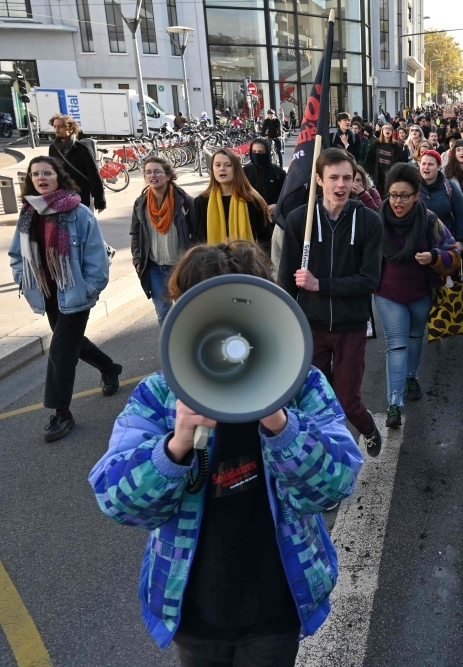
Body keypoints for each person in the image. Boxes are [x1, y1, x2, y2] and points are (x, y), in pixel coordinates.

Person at [89, 240, 364, 665]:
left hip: (275, 611)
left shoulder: (300, 385)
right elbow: (115, 498)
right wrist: (176, 446)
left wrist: (280, 421)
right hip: (197, 614)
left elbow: (336, 484)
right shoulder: (160, 395)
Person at [278, 148, 383, 456]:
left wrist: (320, 285)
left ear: (355, 181)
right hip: (312, 325)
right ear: (319, 180)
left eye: (347, 178)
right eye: (334, 177)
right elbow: (286, 279)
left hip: (351, 326)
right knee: (313, 398)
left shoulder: (368, 221)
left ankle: (366, 427)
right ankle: (322, 452)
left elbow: (370, 281)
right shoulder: (300, 220)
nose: (341, 185)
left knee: (348, 399)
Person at [9, 156, 121, 442]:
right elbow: (15, 255)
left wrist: (89, 289)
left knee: (60, 352)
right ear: (30, 180)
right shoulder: (28, 214)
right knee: (71, 343)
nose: (41, 178)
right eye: (36, 174)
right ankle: (109, 367)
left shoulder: (79, 212)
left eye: (47, 172)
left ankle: (62, 413)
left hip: (74, 292)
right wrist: (24, 277)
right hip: (47, 294)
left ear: (59, 176)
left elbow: (96, 258)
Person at [376, 164, 462, 428]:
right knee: (397, 345)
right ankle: (394, 403)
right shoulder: (376, 220)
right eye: (393, 195)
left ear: (416, 196)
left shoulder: (430, 220)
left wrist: (435, 257)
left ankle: (412, 376)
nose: (398, 201)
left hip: (421, 294)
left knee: (415, 339)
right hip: (388, 294)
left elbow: (455, 252)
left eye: (404, 195)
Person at [130, 156, 195, 326]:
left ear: (168, 176)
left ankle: (187, 348)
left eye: (157, 171)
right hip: (155, 268)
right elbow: (135, 235)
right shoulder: (140, 204)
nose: (153, 175)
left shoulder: (185, 202)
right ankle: (170, 349)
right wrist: (137, 259)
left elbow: (197, 234)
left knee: (187, 312)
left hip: (181, 267)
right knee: (164, 315)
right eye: (148, 172)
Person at [193, 148, 270, 249]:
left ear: (236, 169)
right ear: (212, 169)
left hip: (246, 261)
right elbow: (198, 239)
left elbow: (265, 239)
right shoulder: (201, 201)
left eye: (228, 165)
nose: (222, 169)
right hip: (211, 262)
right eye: (217, 165)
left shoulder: (252, 200)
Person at [47, 114, 105, 213]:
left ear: (70, 129)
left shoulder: (82, 148)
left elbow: (93, 175)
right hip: (62, 195)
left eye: (60, 127)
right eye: (55, 126)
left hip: (82, 195)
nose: (56, 129)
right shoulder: (53, 148)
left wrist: (100, 201)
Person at [419, 150, 463, 255]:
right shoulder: (412, 186)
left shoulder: (449, 187)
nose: (426, 167)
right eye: (423, 164)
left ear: (439, 167)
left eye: (430, 164)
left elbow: (460, 214)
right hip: (418, 241)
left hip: (444, 242)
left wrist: (460, 240)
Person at [243, 138, 286, 218]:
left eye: (260, 152)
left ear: (267, 153)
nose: (257, 155)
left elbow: (286, 195)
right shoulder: (245, 171)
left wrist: (278, 206)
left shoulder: (279, 172)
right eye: (254, 152)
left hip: (271, 219)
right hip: (250, 219)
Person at [372, 123, 407, 195]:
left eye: (389, 129)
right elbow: (370, 158)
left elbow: (401, 159)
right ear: (382, 131)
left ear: (392, 132)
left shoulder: (396, 145)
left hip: (391, 174)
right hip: (379, 176)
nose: (387, 130)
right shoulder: (376, 143)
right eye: (385, 128)